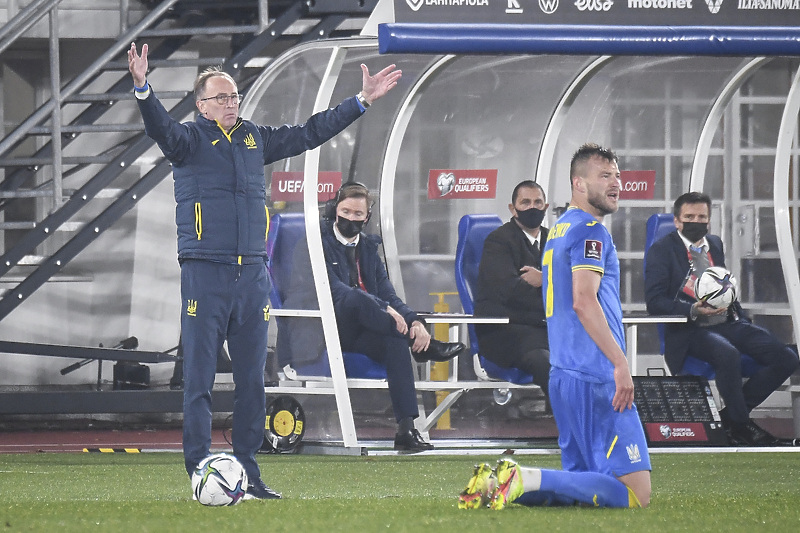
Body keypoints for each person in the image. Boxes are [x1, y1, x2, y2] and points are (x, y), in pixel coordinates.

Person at [127, 42, 402, 498]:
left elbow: (311, 132)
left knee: (254, 379)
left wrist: (361, 101)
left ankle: (248, 472)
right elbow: (160, 127)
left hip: (252, 276)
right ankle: (199, 468)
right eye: (221, 97)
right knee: (198, 378)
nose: (231, 103)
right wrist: (143, 88)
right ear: (201, 105)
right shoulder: (189, 141)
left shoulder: (255, 138)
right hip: (205, 273)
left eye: (234, 96)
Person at [459, 143, 651, 510]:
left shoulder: (560, 229)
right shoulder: (591, 231)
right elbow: (583, 300)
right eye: (605, 176)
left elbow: (560, 295)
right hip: (595, 373)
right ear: (579, 183)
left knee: (581, 490)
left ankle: (496, 486)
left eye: (618, 176)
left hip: (564, 373)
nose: (616, 184)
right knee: (634, 494)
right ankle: (522, 476)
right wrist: (619, 362)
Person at [314, 182, 466, 451]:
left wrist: (416, 321)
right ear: (333, 210)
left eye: (357, 214)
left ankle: (406, 429)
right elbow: (334, 291)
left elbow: (389, 295)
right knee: (355, 297)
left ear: (367, 217)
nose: (350, 218)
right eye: (345, 211)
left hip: (368, 329)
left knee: (395, 341)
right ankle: (424, 348)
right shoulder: (316, 244)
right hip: (331, 329)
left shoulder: (369, 249)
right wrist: (383, 308)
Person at [644, 191, 799, 446]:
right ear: (677, 221)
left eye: (702, 217)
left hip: (728, 322)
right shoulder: (662, 250)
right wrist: (693, 310)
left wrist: (740, 316)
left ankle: (730, 420)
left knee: (786, 357)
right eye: (689, 217)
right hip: (689, 329)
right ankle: (741, 426)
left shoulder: (714, 244)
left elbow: (723, 286)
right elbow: (655, 302)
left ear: (709, 220)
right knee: (728, 355)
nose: (697, 221)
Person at [473, 180, 551, 395]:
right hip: (506, 332)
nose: (532, 207)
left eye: (538, 202)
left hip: (546, 329)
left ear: (546, 207)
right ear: (512, 208)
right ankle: (570, 424)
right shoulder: (498, 242)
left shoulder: (555, 239)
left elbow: (577, 284)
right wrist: (556, 290)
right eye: (525, 202)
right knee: (547, 364)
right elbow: (510, 291)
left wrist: (546, 279)